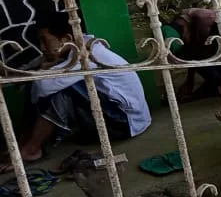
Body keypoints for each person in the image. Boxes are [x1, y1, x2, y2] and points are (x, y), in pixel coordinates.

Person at [0, 11, 151, 173]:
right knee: (45, 82)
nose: (42, 48)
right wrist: (42, 68)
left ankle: (31, 150)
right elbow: (32, 79)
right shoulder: (74, 49)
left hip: (126, 122)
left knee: (59, 90)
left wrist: (45, 69)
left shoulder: (84, 54)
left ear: (67, 39)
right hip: (119, 115)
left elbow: (42, 87)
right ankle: (24, 142)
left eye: (45, 41)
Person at [161, 8, 221, 101]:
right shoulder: (189, 19)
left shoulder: (199, 18)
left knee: (209, 67)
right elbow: (194, 55)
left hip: (219, 44)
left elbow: (195, 52)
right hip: (203, 45)